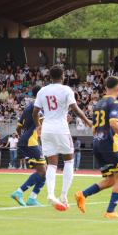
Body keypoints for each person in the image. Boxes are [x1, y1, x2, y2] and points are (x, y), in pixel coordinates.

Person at [33, 65, 92, 211]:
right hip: (61, 128)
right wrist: (87, 121)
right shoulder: (66, 90)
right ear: (63, 76)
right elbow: (75, 109)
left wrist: (38, 126)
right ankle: (63, 195)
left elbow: (35, 112)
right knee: (69, 160)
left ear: (50, 77)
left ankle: (51, 194)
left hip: (46, 128)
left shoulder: (42, 90)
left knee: (52, 164)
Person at [74, 76, 118, 220]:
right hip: (109, 144)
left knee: (111, 179)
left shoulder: (98, 104)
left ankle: (83, 194)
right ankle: (110, 211)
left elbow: (94, 128)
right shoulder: (114, 103)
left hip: (97, 143)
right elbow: (113, 123)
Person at [10, 86, 46, 206]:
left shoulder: (29, 106)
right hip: (31, 142)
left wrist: (22, 139)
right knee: (43, 170)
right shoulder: (38, 107)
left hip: (27, 141)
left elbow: (18, 127)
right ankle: (19, 192)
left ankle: (32, 199)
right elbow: (41, 124)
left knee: (44, 171)